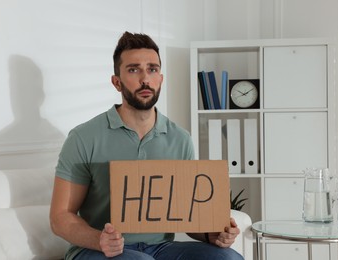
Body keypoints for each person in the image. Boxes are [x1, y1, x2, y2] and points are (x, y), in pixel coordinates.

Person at [50, 31, 243, 260]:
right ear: (116, 82)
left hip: (161, 248)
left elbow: (186, 216)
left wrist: (211, 234)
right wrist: (99, 240)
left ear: (160, 78)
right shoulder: (83, 137)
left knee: (228, 258)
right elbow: (60, 217)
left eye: (152, 69)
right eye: (133, 70)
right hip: (97, 251)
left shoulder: (180, 139)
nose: (145, 78)